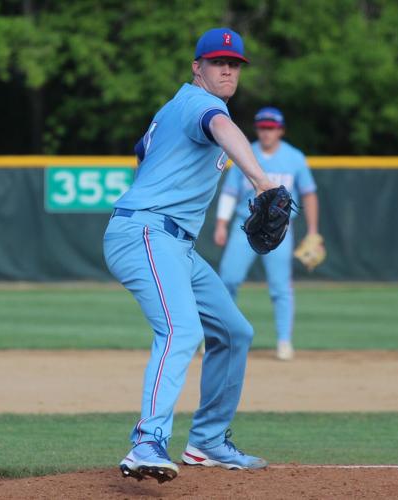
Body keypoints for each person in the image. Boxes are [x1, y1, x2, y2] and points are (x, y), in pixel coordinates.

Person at [103, 28, 276, 483]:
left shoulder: (174, 108)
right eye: (217, 61)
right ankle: (146, 442)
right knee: (181, 330)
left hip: (174, 242)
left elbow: (143, 151)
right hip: (147, 231)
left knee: (235, 331)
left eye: (234, 63)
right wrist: (260, 179)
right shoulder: (204, 106)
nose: (226, 69)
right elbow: (220, 126)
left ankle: (208, 442)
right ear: (196, 67)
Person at [214, 107, 320, 360]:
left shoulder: (294, 158)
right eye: (262, 127)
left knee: (280, 287)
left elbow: (309, 193)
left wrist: (313, 231)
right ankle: (218, 338)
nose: (266, 132)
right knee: (227, 281)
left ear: (280, 130)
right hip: (245, 226)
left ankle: (284, 341)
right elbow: (230, 192)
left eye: (271, 127)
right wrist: (220, 223)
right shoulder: (244, 151)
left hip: (280, 231)